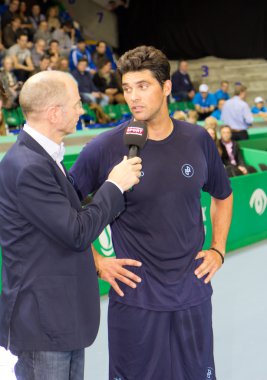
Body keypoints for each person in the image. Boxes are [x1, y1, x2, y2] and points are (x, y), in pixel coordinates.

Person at [70, 45, 233, 380]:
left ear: (167, 87)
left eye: (143, 86)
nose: (133, 97)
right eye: (127, 88)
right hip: (135, 298)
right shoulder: (103, 147)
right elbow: (66, 206)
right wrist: (96, 262)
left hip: (192, 294)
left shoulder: (198, 139)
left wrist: (218, 248)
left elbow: (223, 195)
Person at [0, 70, 143, 380]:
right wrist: (114, 186)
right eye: (77, 104)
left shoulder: (44, 158)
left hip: (61, 318)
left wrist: (97, 262)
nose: (83, 110)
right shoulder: (28, 166)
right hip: (44, 323)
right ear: (55, 113)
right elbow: (76, 232)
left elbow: (57, 233)